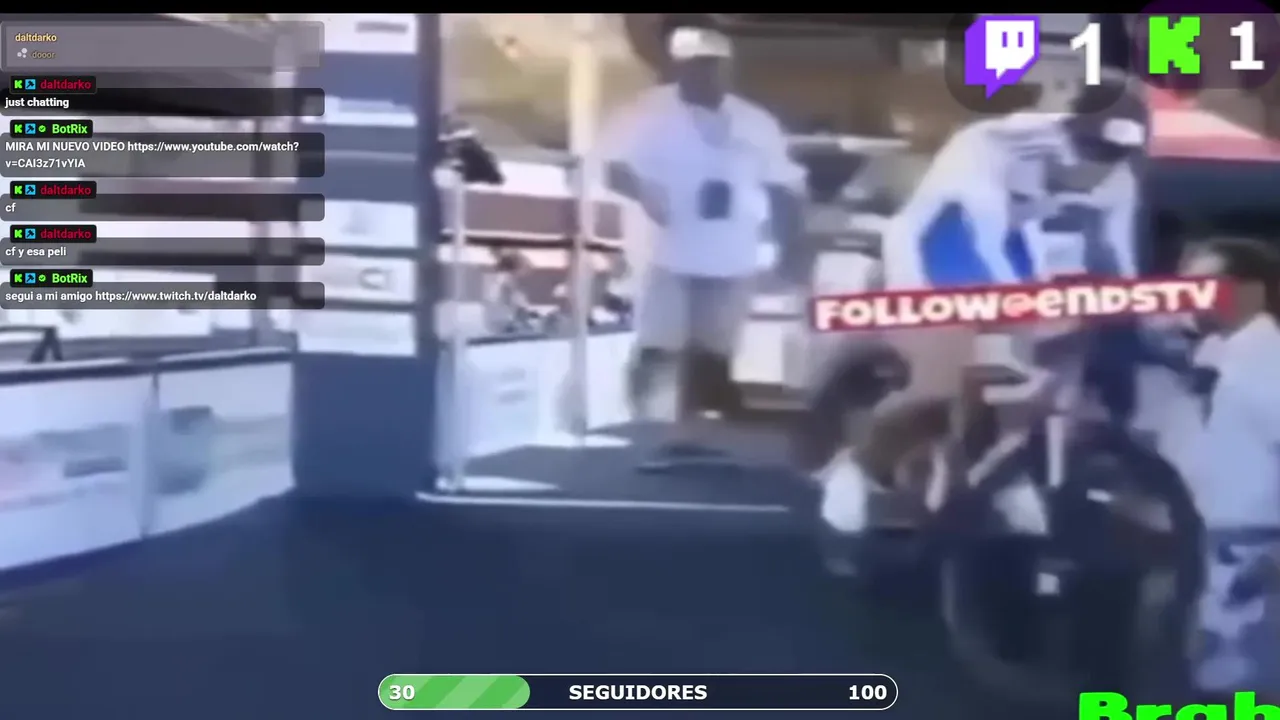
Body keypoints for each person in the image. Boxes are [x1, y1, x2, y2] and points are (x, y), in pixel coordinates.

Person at [819, 78, 1148, 533]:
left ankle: (1000, 468)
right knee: (944, 383)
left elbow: (1118, 254)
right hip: (937, 244)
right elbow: (983, 241)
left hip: (1014, 249)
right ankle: (856, 471)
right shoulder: (992, 146)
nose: (1095, 170)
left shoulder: (1118, 175)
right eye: (1089, 152)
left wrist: (1141, 308)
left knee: (1022, 377)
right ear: (1065, 130)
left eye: (1111, 158)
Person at [597, 15, 804, 470]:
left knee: (713, 350)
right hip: (666, 248)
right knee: (662, 343)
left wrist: (790, 250)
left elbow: (784, 186)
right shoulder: (646, 112)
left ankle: (691, 435)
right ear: (678, 67)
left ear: (726, 68)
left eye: (712, 65)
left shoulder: (755, 122)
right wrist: (644, 192)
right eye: (694, 65)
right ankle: (649, 433)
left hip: (734, 253)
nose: (704, 73)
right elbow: (612, 167)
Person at [1178, 237, 1280, 701]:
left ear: (1251, 291)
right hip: (1217, 543)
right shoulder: (1217, 354)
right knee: (1220, 676)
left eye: (1204, 285)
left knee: (1246, 685)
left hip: (1257, 549)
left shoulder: (1267, 361)